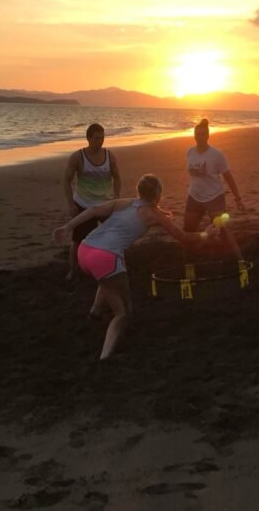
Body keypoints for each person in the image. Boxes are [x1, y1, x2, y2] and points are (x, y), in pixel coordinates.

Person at [53, 174, 212, 360]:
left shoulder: (126, 203)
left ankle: (95, 312)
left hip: (85, 250)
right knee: (123, 312)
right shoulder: (155, 215)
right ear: (158, 193)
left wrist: (67, 227)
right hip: (104, 257)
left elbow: (95, 210)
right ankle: (105, 357)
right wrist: (206, 234)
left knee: (110, 276)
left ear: (139, 191)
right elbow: (184, 237)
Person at [62, 123, 121, 281]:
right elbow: (66, 181)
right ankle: (73, 270)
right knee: (78, 240)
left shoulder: (110, 156)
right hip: (83, 204)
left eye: (102, 138)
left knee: (114, 236)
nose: (100, 141)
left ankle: (117, 265)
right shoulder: (77, 157)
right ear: (88, 138)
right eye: (96, 138)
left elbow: (117, 178)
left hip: (105, 204)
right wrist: (70, 204)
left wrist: (116, 197)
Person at [184, 118, 244, 257]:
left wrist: (238, 199)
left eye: (203, 134)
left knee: (222, 231)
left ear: (208, 135)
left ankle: (240, 264)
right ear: (194, 135)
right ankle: (189, 268)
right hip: (194, 196)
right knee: (188, 231)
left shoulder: (216, 155)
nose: (199, 137)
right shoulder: (190, 152)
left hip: (214, 197)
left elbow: (228, 177)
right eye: (197, 134)